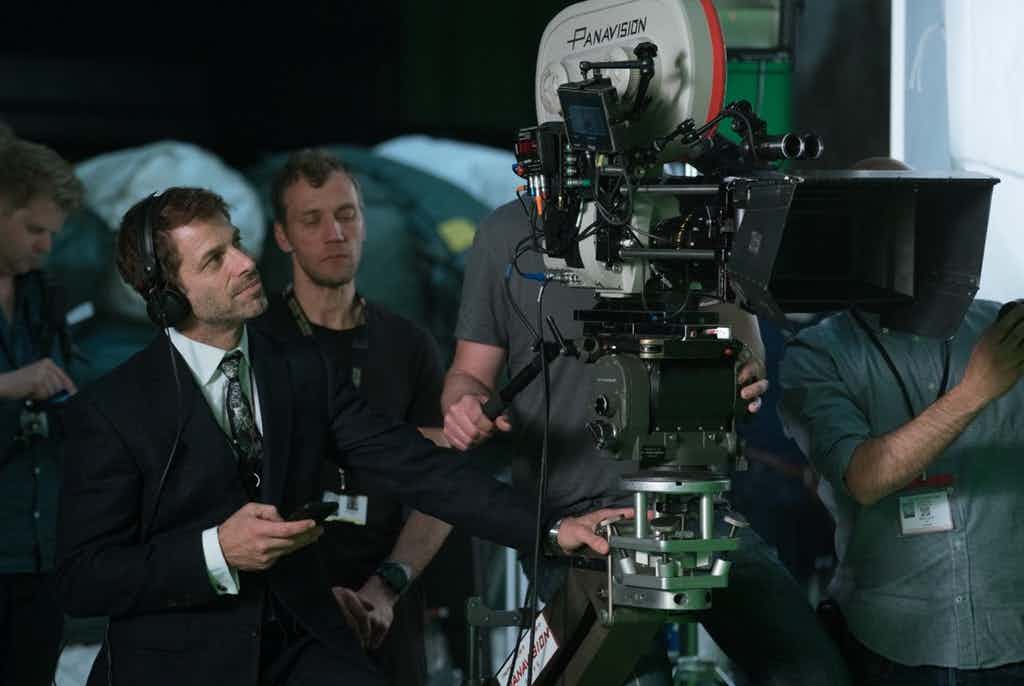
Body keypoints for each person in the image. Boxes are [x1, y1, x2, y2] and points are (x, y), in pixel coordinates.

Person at [54, 186, 628, 686]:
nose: (246, 263)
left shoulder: (301, 370)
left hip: (302, 644)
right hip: (178, 662)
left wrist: (553, 528)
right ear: (166, 296)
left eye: (236, 243)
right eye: (214, 259)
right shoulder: (109, 411)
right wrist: (216, 552)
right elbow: (83, 579)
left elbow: (419, 468)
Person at [442, 200, 851, 684]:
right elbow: (469, 373)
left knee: (813, 673)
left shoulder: (690, 211)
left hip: (694, 510)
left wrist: (745, 366)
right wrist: (465, 405)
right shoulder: (506, 233)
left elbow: (739, 327)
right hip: (573, 523)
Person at [777, 162, 1024, 683]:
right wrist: (977, 391)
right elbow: (864, 478)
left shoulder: (1001, 330)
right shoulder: (817, 355)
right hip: (892, 643)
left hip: (1011, 636)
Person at [252, 149, 450, 685]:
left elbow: (441, 488)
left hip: (383, 605)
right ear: (283, 236)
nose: (335, 233)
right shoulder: (256, 340)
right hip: (281, 610)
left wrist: (386, 587)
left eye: (346, 215)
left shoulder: (408, 344)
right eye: (311, 220)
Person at [0, 137, 82, 686]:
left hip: (39, 554)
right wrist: (9, 385)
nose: (45, 245)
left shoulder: (42, 297)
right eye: (34, 229)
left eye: (52, 233)